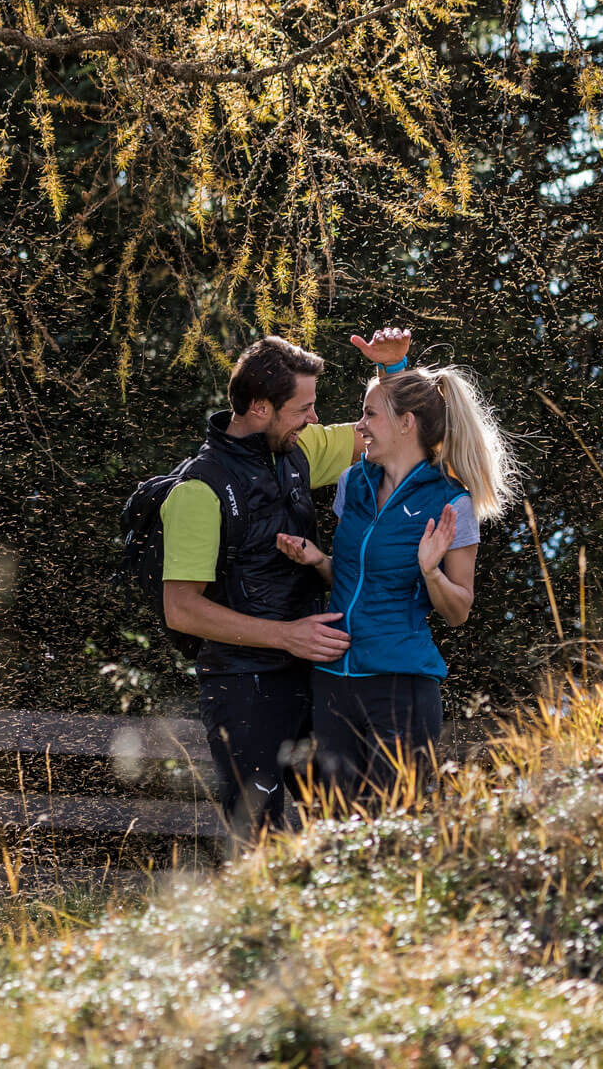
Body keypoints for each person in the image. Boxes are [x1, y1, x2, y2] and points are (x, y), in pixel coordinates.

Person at [161, 330, 410, 844]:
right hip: (242, 687)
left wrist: (392, 368)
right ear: (259, 408)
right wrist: (286, 636)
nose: (314, 419)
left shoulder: (296, 449)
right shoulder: (198, 491)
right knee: (259, 840)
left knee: (355, 815)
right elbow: (181, 610)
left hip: (315, 672)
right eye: (303, 408)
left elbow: (384, 433)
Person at [277, 356, 520, 808]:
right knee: (334, 827)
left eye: (370, 414)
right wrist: (318, 561)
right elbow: (358, 578)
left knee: (392, 825)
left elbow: (459, 610)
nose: (360, 425)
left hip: (399, 685)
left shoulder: (451, 503)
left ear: (407, 423)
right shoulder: (353, 484)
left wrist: (430, 572)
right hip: (333, 678)